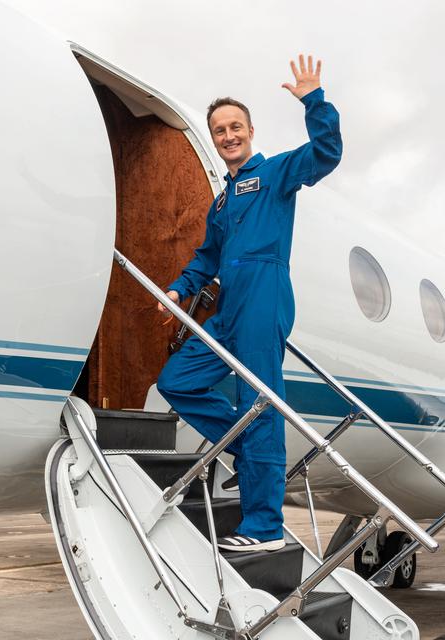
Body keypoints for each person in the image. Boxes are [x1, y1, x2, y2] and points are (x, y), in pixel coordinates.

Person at [157, 55, 342, 552]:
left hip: (264, 294)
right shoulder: (222, 201)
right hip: (229, 307)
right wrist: (178, 289)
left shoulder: (277, 172)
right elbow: (207, 257)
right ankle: (246, 449)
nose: (228, 136)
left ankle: (263, 527)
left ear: (250, 131)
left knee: (259, 403)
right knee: (177, 381)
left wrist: (314, 101)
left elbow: (326, 153)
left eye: (235, 126)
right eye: (219, 130)